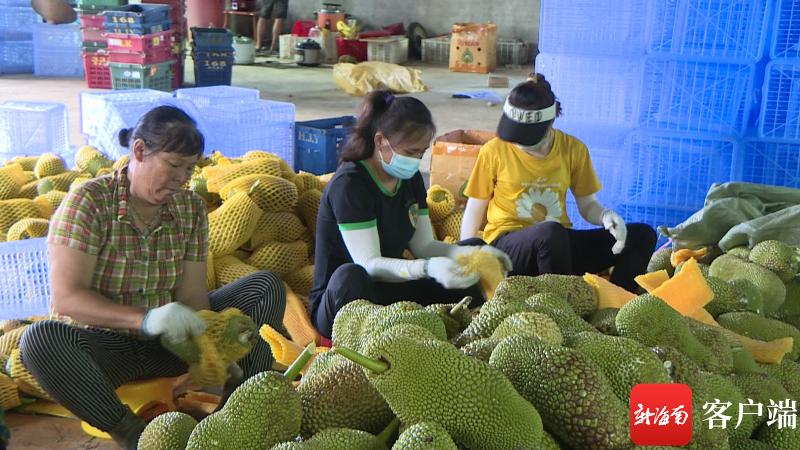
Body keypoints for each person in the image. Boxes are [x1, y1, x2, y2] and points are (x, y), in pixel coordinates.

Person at [19, 106, 287, 450]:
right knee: (39, 340)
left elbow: (192, 299)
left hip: (168, 343)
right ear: (140, 151)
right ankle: (129, 432)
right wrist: (146, 319)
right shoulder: (89, 202)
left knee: (264, 288)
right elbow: (67, 298)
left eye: (189, 169)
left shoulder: (189, 208)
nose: (181, 179)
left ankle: (232, 414)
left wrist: (210, 347)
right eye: (173, 165)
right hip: (104, 349)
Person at [308, 90, 513, 339]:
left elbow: (423, 245)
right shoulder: (351, 185)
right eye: (410, 152)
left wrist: (470, 255)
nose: (416, 160)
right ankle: (365, 337)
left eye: (421, 153)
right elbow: (369, 265)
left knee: (474, 256)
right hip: (346, 298)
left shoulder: (410, 179)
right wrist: (425, 268)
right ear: (381, 141)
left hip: (391, 289)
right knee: (350, 275)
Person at [460, 74, 657, 292]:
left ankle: (617, 307)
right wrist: (466, 258)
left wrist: (605, 216)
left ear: (551, 120)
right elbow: (474, 209)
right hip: (508, 249)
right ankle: (558, 307)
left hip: (557, 248)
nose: (519, 142)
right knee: (550, 233)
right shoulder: (493, 151)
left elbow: (587, 205)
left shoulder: (573, 149)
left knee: (641, 235)